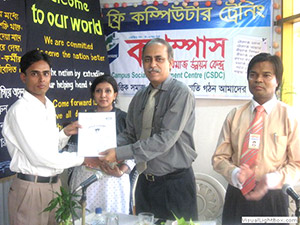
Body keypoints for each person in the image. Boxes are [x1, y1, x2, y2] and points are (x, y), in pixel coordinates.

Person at [99, 38, 198, 220]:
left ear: (171, 62)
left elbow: (164, 140)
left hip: (175, 184)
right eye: (147, 59)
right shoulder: (140, 96)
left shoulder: (181, 93)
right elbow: (130, 134)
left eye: (159, 59)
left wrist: (118, 153)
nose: (152, 64)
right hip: (145, 181)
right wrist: (101, 149)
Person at [1, 49, 99, 225]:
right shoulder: (20, 111)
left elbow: (48, 146)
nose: (42, 80)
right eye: (35, 74)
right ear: (23, 77)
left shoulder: (48, 105)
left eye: (46, 74)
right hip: (31, 189)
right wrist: (82, 159)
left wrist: (64, 134)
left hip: (54, 187)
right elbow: (41, 157)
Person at [212, 53, 300, 225]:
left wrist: (272, 179)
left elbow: (297, 163)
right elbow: (219, 158)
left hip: (272, 198)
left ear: (277, 81)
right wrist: (235, 173)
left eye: (266, 75)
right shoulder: (235, 115)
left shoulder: (290, 116)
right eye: (253, 75)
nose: (258, 79)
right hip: (238, 195)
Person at [69, 75, 135, 214]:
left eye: (108, 91)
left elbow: (134, 150)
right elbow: (72, 150)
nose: (103, 95)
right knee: (84, 217)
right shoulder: (84, 119)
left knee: (113, 218)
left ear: (115, 94)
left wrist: (121, 170)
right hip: (86, 177)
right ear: (93, 94)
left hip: (113, 181)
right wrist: (85, 160)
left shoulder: (125, 119)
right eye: (98, 91)